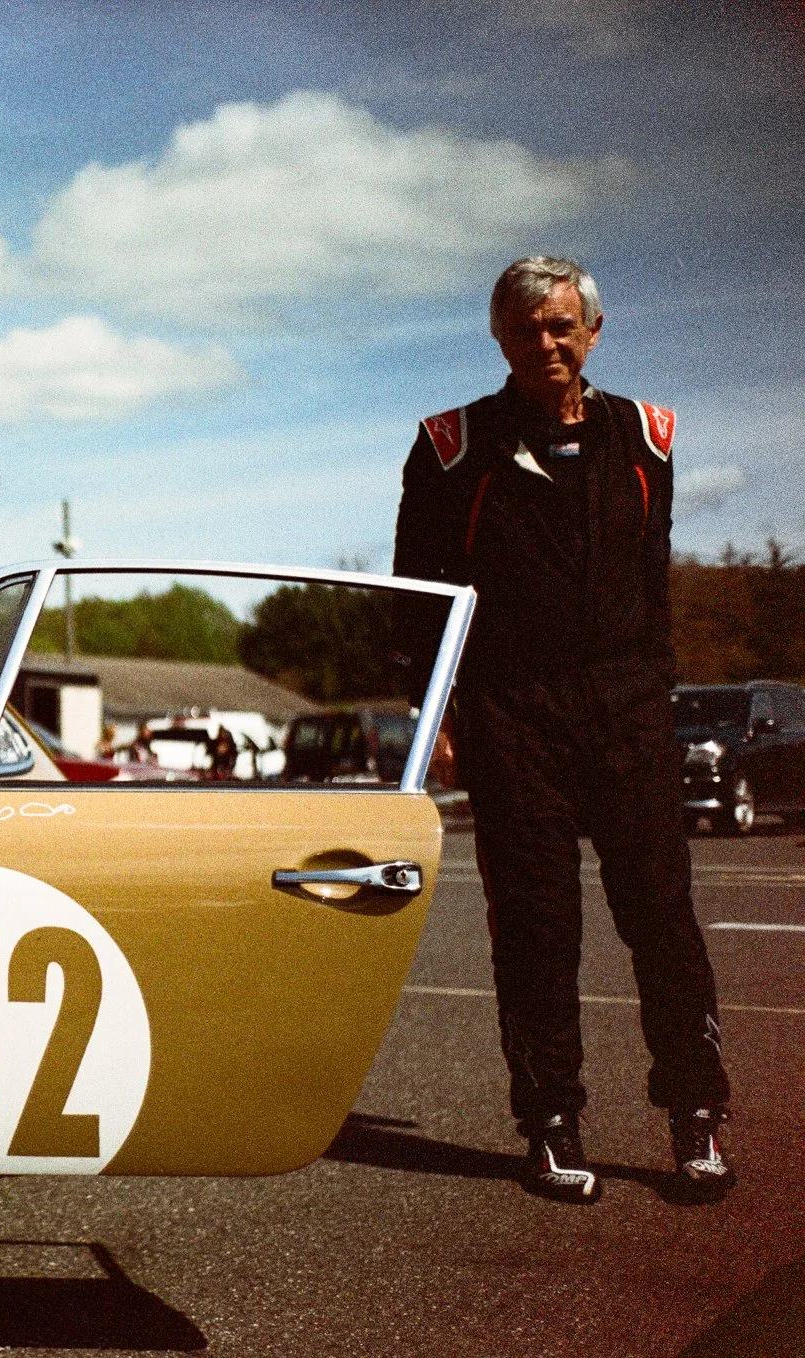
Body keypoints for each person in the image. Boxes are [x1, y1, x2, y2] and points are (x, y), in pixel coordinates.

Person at [392, 256, 734, 1205]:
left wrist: (654, 690)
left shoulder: (648, 437)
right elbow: (422, 596)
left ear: (592, 331)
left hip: (626, 708)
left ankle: (697, 1116)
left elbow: (652, 576)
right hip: (513, 710)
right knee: (539, 927)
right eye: (523, 329)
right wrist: (443, 710)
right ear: (498, 338)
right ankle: (550, 1125)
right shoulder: (453, 444)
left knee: (661, 919)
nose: (545, 343)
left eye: (561, 326)